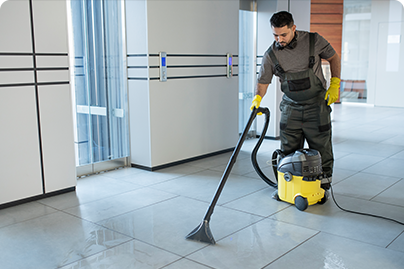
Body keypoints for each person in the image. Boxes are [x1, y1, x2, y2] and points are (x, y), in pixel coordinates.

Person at [251, 11, 341, 190]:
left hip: (316, 106)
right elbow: (263, 80)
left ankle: (322, 189)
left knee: (321, 148)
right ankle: (287, 187)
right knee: (287, 150)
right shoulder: (271, 53)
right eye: (275, 35)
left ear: (293, 28)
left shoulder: (314, 41)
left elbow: (333, 57)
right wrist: (257, 98)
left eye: (283, 34)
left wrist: (335, 83)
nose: (279, 39)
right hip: (291, 107)